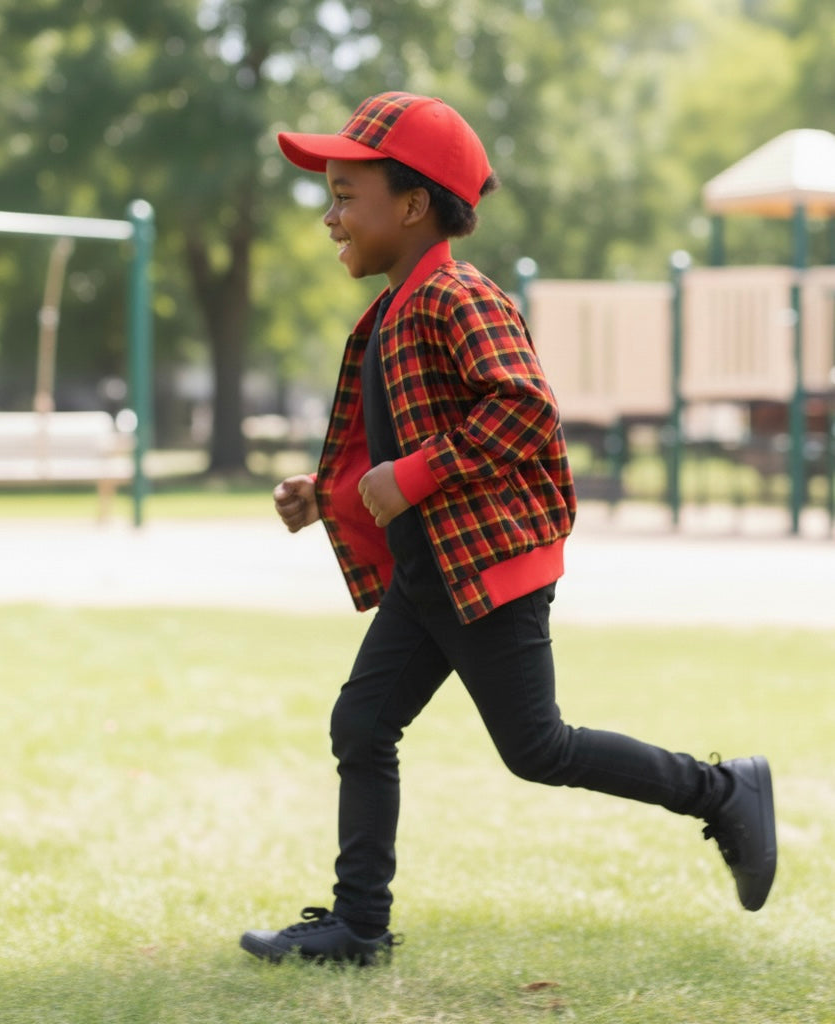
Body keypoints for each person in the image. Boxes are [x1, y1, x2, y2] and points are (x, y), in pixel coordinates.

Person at [240, 92, 776, 965]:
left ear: (412, 205)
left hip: (484, 573)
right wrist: (326, 494)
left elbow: (525, 408)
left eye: (344, 197)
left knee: (538, 748)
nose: (330, 218)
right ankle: (358, 925)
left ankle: (722, 792)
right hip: (430, 575)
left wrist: (413, 476)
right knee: (362, 725)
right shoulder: (393, 311)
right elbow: (401, 439)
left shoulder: (457, 296)